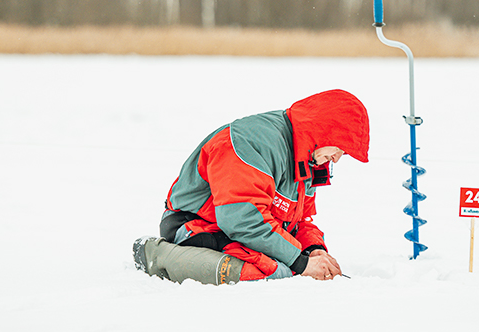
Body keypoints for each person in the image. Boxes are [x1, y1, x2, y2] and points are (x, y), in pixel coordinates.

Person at [133, 89, 370, 285]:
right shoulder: (253, 143)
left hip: (240, 233)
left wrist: (313, 249)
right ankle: (156, 254)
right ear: (323, 131)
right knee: (271, 275)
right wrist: (301, 262)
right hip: (198, 227)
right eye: (339, 149)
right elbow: (242, 220)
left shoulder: (307, 157)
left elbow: (298, 222)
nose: (337, 158)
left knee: (292, 272)